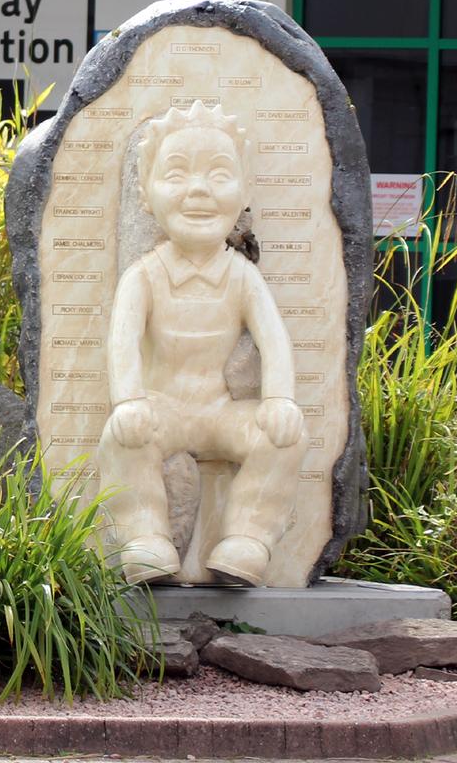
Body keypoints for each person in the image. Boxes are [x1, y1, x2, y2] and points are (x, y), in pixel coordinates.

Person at [99, 99, 308, 586]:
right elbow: (122, 344)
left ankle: (247, 540)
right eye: (176, 175)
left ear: (244, 191)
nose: (198, 190)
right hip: (162, 409)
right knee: (120, 437)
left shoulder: (241, 276)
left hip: (220, 413)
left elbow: (274, 339)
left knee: (284, 435)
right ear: (146, 195)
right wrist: (128, 401)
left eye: (218, 175)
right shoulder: (144, 275)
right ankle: (145, 539)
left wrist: (278, 399)